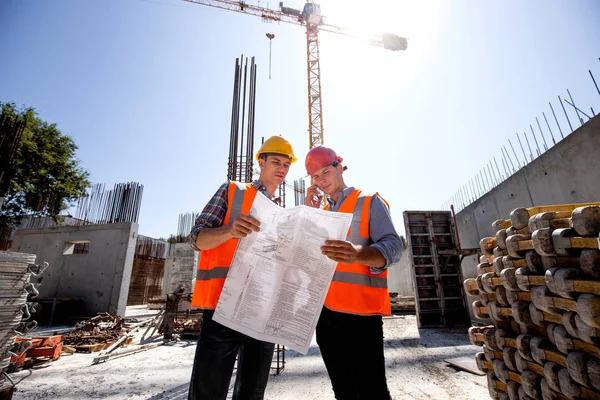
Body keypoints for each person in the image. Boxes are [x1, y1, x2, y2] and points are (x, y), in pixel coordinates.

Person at [187, 136, 297, 400]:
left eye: (286, 164)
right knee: (208, 391)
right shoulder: (233, 190)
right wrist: (230, 230)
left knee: (252, 391)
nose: (282, 169)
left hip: (263, 310)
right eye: (276, 162)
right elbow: (196, 238)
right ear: (261, 162)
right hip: (223, 306)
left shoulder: (285, 213)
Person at [304, 146, 402, 400]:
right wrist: (307, 215)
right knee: (343, 391)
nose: (321, 180)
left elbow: (393, 246)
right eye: (315, 177)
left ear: (339, 167)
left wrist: (358, 254)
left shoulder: (368, 201)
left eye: (325, 172)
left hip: (361, 315)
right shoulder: (321, 214)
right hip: (326, 318)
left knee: (371, 392)